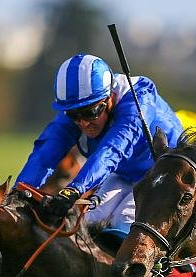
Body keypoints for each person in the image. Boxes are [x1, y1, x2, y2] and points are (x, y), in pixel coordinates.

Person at [14, 53, 183, 232]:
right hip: (125, 174)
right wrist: (19, 193)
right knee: (89, 222)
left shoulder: (137, 101)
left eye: (91, 112)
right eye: (73, 115)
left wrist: (75, 189)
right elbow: (45, 153)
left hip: (166, 174)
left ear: (110, 97)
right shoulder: (78, 108)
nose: (83, 123)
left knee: (124, 220)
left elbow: (112, 150)